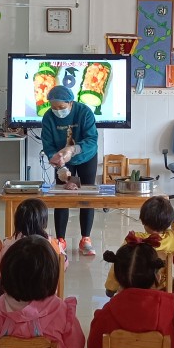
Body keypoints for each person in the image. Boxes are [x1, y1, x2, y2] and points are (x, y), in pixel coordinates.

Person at [40, 84, 99, 256]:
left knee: (87, 195)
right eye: (54, 107)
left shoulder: (84, 112)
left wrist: (73, 149)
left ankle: (85, 239)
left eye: (61, 107)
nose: (57, 111)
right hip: (62, 159)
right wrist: (61, 166)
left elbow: (91, 139)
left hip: (86, 156)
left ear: (71, 103)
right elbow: (48, 145)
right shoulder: (48, 117)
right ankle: (61, 240)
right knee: (62, 196)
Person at [105, 196, 174, 297]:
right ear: (168, 223)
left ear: (143, 221)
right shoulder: (173, 239)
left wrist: (110, 287)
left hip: (131, 287)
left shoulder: (133, 239)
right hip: (161, 289)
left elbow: (118, 263)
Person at [0, 197, 65, 275]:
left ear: (17, 220)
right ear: (44, 221)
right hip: (45, 283)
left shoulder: (8, 244)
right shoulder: (54, 244)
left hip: (14, 283)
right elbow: (63, 266)